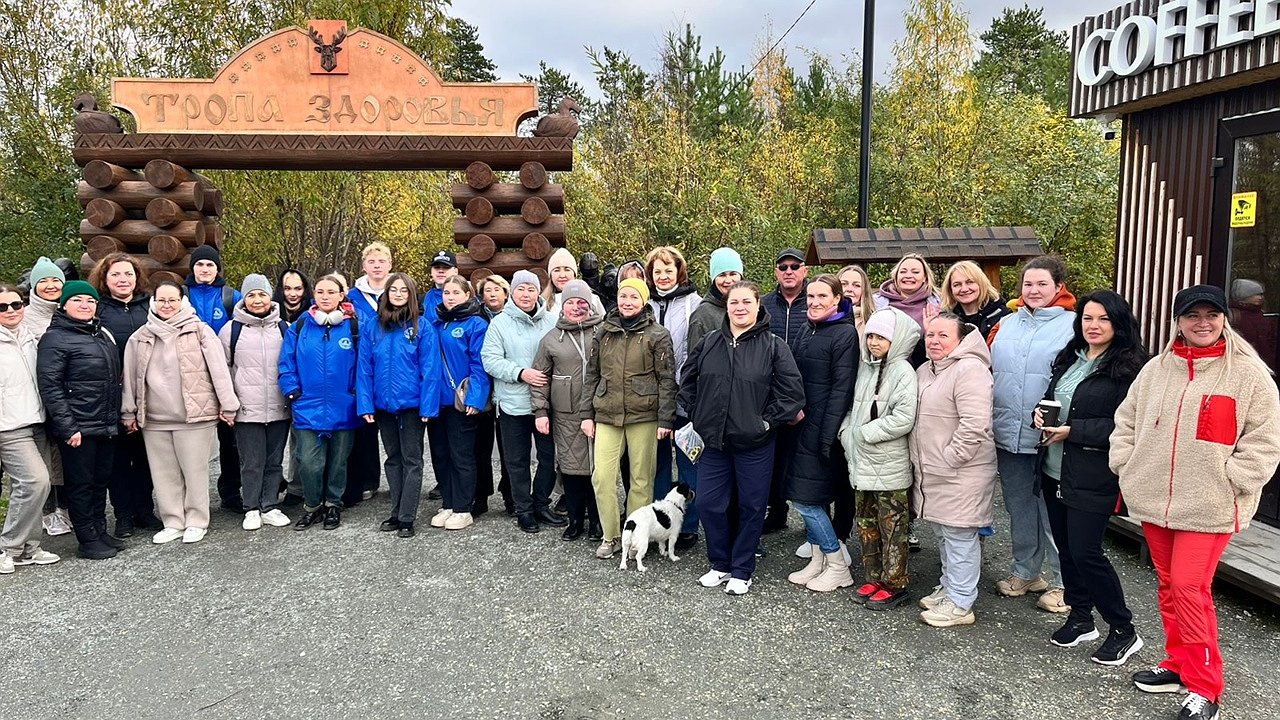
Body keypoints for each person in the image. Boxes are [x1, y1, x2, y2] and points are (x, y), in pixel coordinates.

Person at [1111, 285, 1280, 720]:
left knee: (1189, 587)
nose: (1202, 323)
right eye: (1192, 315)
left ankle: (1206, 686)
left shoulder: (1248, 374)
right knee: (1168, 586)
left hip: (1210, 504)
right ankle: (1178, 662)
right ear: (1178, 321)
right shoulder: (1156, 370)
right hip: (1154, 498)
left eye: (1211, 314)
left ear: (1225, 318)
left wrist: (1234, 480)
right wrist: (1127, 463)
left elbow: (1263, 442)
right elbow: (1126, 419)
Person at [1034, 290, 1147, 664]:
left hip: (1093, 471)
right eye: (1087, 318)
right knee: (1067, 549)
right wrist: (1041, 413)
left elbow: (1129, 425)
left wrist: (1073, 431)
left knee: (1087, 552)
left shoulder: (1131, 368)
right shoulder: (1072, 357)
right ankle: (1082, 617)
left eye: (1102, 319)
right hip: (1054, 467)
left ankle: (1123, 629)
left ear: (1118, 322)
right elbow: (1056, 399)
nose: (1093, 326)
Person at [679, 281, 805, 595]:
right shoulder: (710, 342)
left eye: (746, 302)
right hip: (714, 443)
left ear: (758, 306)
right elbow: (688, 379)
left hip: (754, 445)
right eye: (734, 302)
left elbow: (792, 395)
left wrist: (763, 423)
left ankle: (741, 569)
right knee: (709, 503)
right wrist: (698, 414)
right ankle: (719, 564)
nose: (740, 308)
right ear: (727, 306)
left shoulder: (774, 345)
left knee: (751, 507)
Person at [121, 281, 239, 545]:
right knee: (164, 474)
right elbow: (130, 378)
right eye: (161, 300)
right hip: (154, 419)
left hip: (194, 416)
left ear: (182, 302)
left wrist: (228, 404)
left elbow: (219, 371)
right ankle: (173, 520)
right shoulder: (140, 336)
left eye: (172, 300)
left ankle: (197, 520)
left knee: (194, 470)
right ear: (153, 303)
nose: (167, 305)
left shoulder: (200, 331)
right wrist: (129, 412)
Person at [989, 255, 1076, 613]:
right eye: (1028, 284)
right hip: (1008, 432)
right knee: (1019, 506)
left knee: (1053, 511)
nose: (1034, 290)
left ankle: (1064, 582)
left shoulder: (1073, 326)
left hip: (1051, 437)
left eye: (1042, 284)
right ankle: (1026, 572)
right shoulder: (1006, 324)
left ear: (1058, 287)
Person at [911, 313, 998, 627]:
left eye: (942, 335)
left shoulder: (970, 370)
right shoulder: (926, 369)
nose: (933, 341)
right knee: (945, 534)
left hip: (962, 470)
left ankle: (960, 603)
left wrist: (950, 458)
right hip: (934, 471)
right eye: (930, 335)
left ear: (961, 339)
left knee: (961, 536)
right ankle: (949, 588)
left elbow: (975, 425)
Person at [582, 277, 677, 559]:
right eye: (624, 296)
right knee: (602, 477)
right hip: (607, 413)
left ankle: (637, 535)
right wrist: (587, 415)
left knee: (641, 480)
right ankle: (610, 536)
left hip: (644, 415)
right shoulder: (604, 332)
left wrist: (665, 420)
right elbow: (592, 375)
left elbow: (667, 380)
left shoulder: (657, 334)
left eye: (634, 297)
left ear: (644, 301)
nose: (627, 302)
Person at [838, 307, 919, 610]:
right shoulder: (865, 368)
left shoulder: (902, 372)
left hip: (889, 464)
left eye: (881, 337)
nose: (874, 342)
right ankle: (874, 575)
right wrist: (847, 433)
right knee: (866, 521)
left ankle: (895, 582)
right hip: (862, 462)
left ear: (895, 340)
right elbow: (853, 407)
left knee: (892, 526)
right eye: (870, 335)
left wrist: (865, 433)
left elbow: (903, 417)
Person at [36, 281, 124, 559]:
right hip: (78, 427)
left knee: (100, 481)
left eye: (91, 300)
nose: (85, 305)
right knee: (81, 484)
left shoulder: (100, 334)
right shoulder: (55, 338)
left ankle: (99, 530)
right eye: (78, 300)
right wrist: (68, 427)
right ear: (64, 305)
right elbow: (50, 385)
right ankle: (87, 538)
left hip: (104, 423)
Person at [784, 275, 859, 593]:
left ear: (837, 299)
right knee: (807, 495)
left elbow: (841, 390)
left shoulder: (845, 335)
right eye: (810, 296)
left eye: (821, 296)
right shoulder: (807, 328)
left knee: (806, 500)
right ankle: (817, 561)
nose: (814, 301)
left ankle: (837, 564)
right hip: (799, 425)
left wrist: (826, 436)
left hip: (820, 429)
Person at [356, 273, 441, 538]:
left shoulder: (422, 326)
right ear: (387, 293)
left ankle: (407, 516)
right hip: (383, 405)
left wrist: (428, 407)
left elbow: (430, 368)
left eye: (404, 290)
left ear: (411, 294)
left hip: (412, 406)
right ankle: (395, 510)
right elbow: (364, 368)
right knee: (392, 459)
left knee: (412, 460)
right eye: (394, 289)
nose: (399, 294)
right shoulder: (373, 326)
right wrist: (366, 404)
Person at [278, 275, 360, 531]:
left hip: (343, 405)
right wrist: (292, 391)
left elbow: (365, 363)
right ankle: (312, 506)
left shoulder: (354, 327)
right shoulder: (301, 326)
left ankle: (333, 504)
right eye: (320, 291)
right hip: (308, 406)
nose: (325, 296)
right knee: (310, 462)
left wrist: (356, 393)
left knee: (338, 462)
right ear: (314, 294)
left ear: (340, 296)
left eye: (331, 292)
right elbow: (286, 361)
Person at [482, 270, 560, 533]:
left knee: (548, 458)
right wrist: (520, 372)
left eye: (530, 289)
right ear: (512, 293)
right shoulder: (500, 323)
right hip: (512, 403)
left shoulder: (551, 321)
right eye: (520, 289)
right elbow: (490, 359)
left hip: (546, 405)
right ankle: (523, 509)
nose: (526, 295)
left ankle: (541, 503)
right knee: (517, 461)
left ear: (538, 292)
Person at [90, 253, 160, 538]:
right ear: (105, 279)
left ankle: (145, 509)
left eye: (128, 274)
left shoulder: (150, 307)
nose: (123, 279)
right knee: (118, 460)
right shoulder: (98, 310)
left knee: (146, 456)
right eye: (116, 274)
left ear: (137, 277)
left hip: (151, 393)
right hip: (114, 395)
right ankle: (123, 515)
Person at [219, 274, 293, 532]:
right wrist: (228, 404)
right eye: (251, 295)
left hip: (278, 406)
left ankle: (269, 505)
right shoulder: (231, 330)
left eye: (262, 294)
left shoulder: (284, 328)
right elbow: (223, 370)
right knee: (251, 462)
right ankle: (251, 508)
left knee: (274, 461)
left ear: (270, 296)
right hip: (246, 409)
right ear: (244, 298)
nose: (257, 300)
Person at [531, 280, 604, 540]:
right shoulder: (551, 339)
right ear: (563, 306)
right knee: (571, 469)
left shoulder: (604, 332)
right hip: (565, 414)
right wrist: (540, 411)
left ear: (590, 304)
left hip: (599, 413)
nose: (576, 307)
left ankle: (598, 522)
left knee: (599, 469)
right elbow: (541, 377)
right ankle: (574, 521)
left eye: (581, 302)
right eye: (571, 302)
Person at [0, 283, 59, 572]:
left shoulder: (31, 338)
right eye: (2, 307)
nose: (10, 311)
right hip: (8, 426)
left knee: (39, 485)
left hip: (38, 421)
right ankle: (8, 547)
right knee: (35, 481)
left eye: (15, 305)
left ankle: (30, 548)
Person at [645, 246, 702, 538]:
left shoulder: (695, 304)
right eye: (658, 272)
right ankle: (661, 524)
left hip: (685, 398)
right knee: (658, 466)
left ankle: (689, 524)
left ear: (679, 272)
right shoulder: (644, 304)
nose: (663, 277)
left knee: (688, 462)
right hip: (652, 400)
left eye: (669, 271)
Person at [184, 245, 243, 513]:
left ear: (217, 268)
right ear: (192, 268)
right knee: (191, 441)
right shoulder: (182, 296)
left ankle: (231, 491)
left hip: (225, 375)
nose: (205, 270)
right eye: (200, 265)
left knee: (230, 439)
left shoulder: (231, 297)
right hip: (190, 376)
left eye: (210, 265)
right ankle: (188, 498)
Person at [429, 275, 490, 530]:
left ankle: (464, 507)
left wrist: (476, 398)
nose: (450, 296)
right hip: (436, 401)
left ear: (468, 295)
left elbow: (479, 364)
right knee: (440, 455)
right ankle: (448, 502)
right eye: (446, 292)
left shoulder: (475, 324)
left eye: (456, 292)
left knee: (461, 455)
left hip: (460, 401)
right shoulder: (436, 323)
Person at [762, 247, 810, 534]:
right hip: (769, 396)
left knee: (806, 461)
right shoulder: (765, 304)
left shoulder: (814, 301)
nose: (789, 271)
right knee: (772, 459)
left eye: (795, 266)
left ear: (805, 270)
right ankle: (776, 511)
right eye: (783, 267)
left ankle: (812, 520)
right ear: (776, 271)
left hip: (807, 393)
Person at [22, 257, 72, 536]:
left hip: (67, 397)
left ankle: (65, 509)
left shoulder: (68, 311)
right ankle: (49, 512)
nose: (51, 286)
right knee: (45, 458)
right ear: (34, 286)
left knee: (64, 457)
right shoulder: (24, 316)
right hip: (37, 396)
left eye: (55, 280)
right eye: (44, 281)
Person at [344, 242, 393, 506]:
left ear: (390, 265)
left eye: (381, 261)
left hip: (391, 366)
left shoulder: (398, 292)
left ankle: (394, 479)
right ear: (364, 266)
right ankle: (367, 479)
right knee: (365, 425)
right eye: (372, 262)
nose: (377, 266)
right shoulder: (352, 296)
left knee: (390, 423)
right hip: (360, 363)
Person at [474, 274, 513, 515]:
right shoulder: (474, 318)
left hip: (507, 388)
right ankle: (481, 495)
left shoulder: (513, 318)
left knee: (509, 448)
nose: (492, 293)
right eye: (487, 290)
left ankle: (510, 495)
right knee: (480, 447)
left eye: (497, 289)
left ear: (506, 293)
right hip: (481, 390)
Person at [272, 268, 311, 507]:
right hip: (271, 385)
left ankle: (297, 488)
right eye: (288, 288)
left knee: (300, 441)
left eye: (298, 288)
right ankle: (274, 483)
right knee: (273, 442)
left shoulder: (312, 316)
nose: (293, 293)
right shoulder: (270, 313)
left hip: (301, 387)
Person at [874, 253, 941, 368]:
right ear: (895, 277)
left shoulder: (938, 305)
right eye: (903, 272)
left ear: (925, 277)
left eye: (915, 272)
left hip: (924, 368)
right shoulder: (876, 304)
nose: (908, 276)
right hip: (883, 368)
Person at [941, 260, 1011, 338]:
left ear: (981, 283)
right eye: (957, 285)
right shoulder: (945, 320)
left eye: (970, 282)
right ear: (950, 290)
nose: (964, 289)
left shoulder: (1004, 316)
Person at [1228, 278, 1276, 369]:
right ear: (1244, 296)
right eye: (1256, 294)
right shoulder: (1232, 315)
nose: (1261, 297)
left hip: (1264, 363)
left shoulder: (1263, 315)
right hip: (1242, 363)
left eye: (1261, 294)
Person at [543, 248, 606, 315]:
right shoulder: (542, 302)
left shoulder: (592, 299)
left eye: (567, 270)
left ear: (574, 274)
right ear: (550, 275)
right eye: (557, 270)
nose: (562, 275)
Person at [837, 264, 877, 334]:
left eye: (856, 285)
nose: (849, 289)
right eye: (844, 284)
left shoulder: (874, 322)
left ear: (864, 290)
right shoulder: (821, 318)